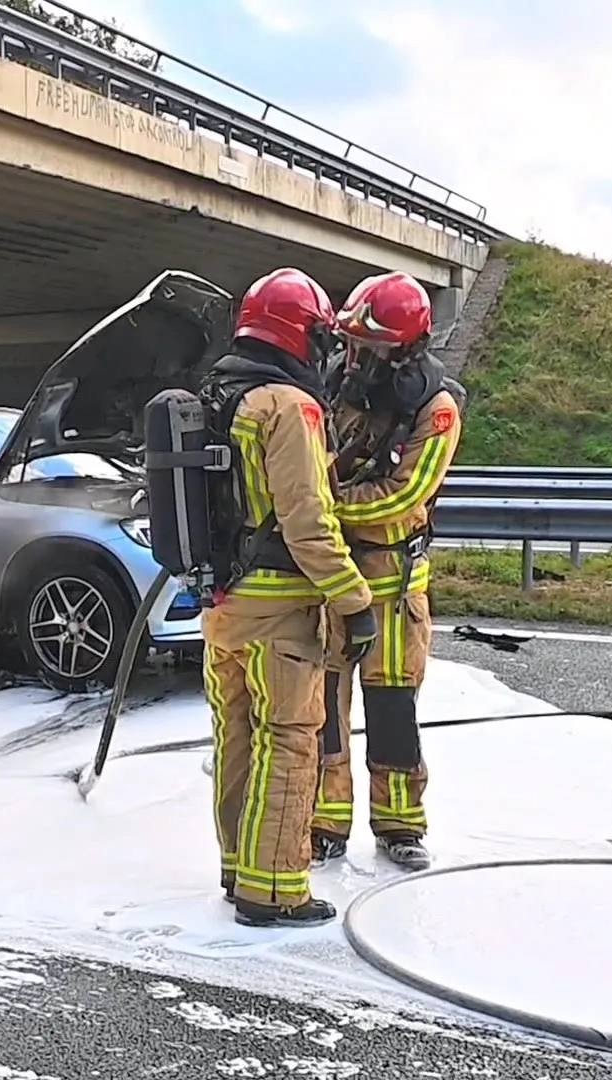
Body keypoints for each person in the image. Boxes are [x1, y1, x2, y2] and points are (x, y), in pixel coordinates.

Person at [199, 267, 378, 929]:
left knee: (236, 733)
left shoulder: (218, 393)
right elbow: (308, 519)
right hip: (280, 606)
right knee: (290, 738)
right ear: (299, 334)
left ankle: (236, 866)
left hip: (223, 603)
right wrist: (354, 600)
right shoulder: (288, 406)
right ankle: (274, 890)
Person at [309, 271, 465, 872]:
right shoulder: (337, 392)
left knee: (392, 706)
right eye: (350, 345)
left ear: (401, 349)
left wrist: (324, 506)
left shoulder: (435, 409)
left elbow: (403, 497)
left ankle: (400, 824)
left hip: (392, 584)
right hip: (332, 578)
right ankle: (326, 820)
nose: (353, 358)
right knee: (324, 708)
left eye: (366, 348)